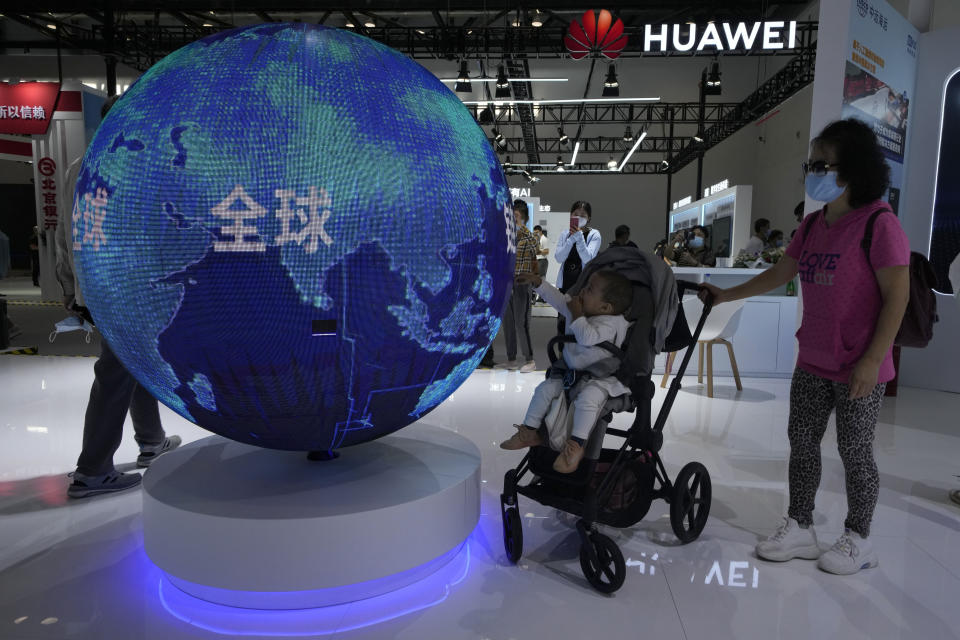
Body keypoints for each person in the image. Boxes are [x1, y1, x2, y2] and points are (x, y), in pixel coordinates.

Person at [699, 118, 910, 575]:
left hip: (858, 362)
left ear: (850, 169)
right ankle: (800, 525)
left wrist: (874, 359)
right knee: (803, 443)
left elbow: (898, 294)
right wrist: (725, 294)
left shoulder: (879, 224)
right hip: (813, 358)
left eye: (822, 164)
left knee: (855, 451)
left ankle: (859, 536)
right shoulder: (813, 224)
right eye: (809, 163)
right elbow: (780, 274)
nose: (812, 172)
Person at [56, 95, 181, 499]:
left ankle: (151, 440)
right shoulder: (134, 167)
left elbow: (65, 235)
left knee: (132, 363)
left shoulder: (80, 167)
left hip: (97, 288)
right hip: (126, 290)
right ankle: (92, 470)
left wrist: (70, 289)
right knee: (115, 372)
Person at [499, 268, 632, 473]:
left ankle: (576, 446)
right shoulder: (582, 309)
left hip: (600, 378)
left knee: (588, 398)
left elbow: (586, 337)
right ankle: (529, 432)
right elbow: (560, 300)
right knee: (545, 389)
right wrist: (537, 282)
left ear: (606, 307)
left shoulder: (612, 324)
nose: (583, 291)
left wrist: (577, 313)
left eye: (589, 289)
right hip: (570, 374)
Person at [488, 200, 539, 372]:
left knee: (520, 322)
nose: (513, 219)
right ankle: (511, 358)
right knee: (508, 322)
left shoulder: (528, 236)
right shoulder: (507, 236)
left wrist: (521, 228)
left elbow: (535, 248)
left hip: (522, 284)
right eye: (511, 215)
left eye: (516, 216)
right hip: (507, 284)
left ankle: (530, 359)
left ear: (524, 218)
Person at [554, 201, 601, 293]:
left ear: (589, 218)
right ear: (571, 215)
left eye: (583, 216)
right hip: (565, 281)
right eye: (576, 214)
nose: (579, 217)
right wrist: (571, 240)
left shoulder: (594, 235)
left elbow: (587, 259)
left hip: (583, 284)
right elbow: (559, 258)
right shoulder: (565, 234)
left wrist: (579, 238)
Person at [532, 225, 549, 302]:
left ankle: (543, 298)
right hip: (538, 261)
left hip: (542, 261)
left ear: (540, 231)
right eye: (534, 232)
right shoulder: (537, 239)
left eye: (537, 232)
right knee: (537, 280)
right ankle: (540, 297)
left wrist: (539, 252)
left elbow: (547, 251)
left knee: (540, 280)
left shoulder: (544, 239)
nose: (535, 234)